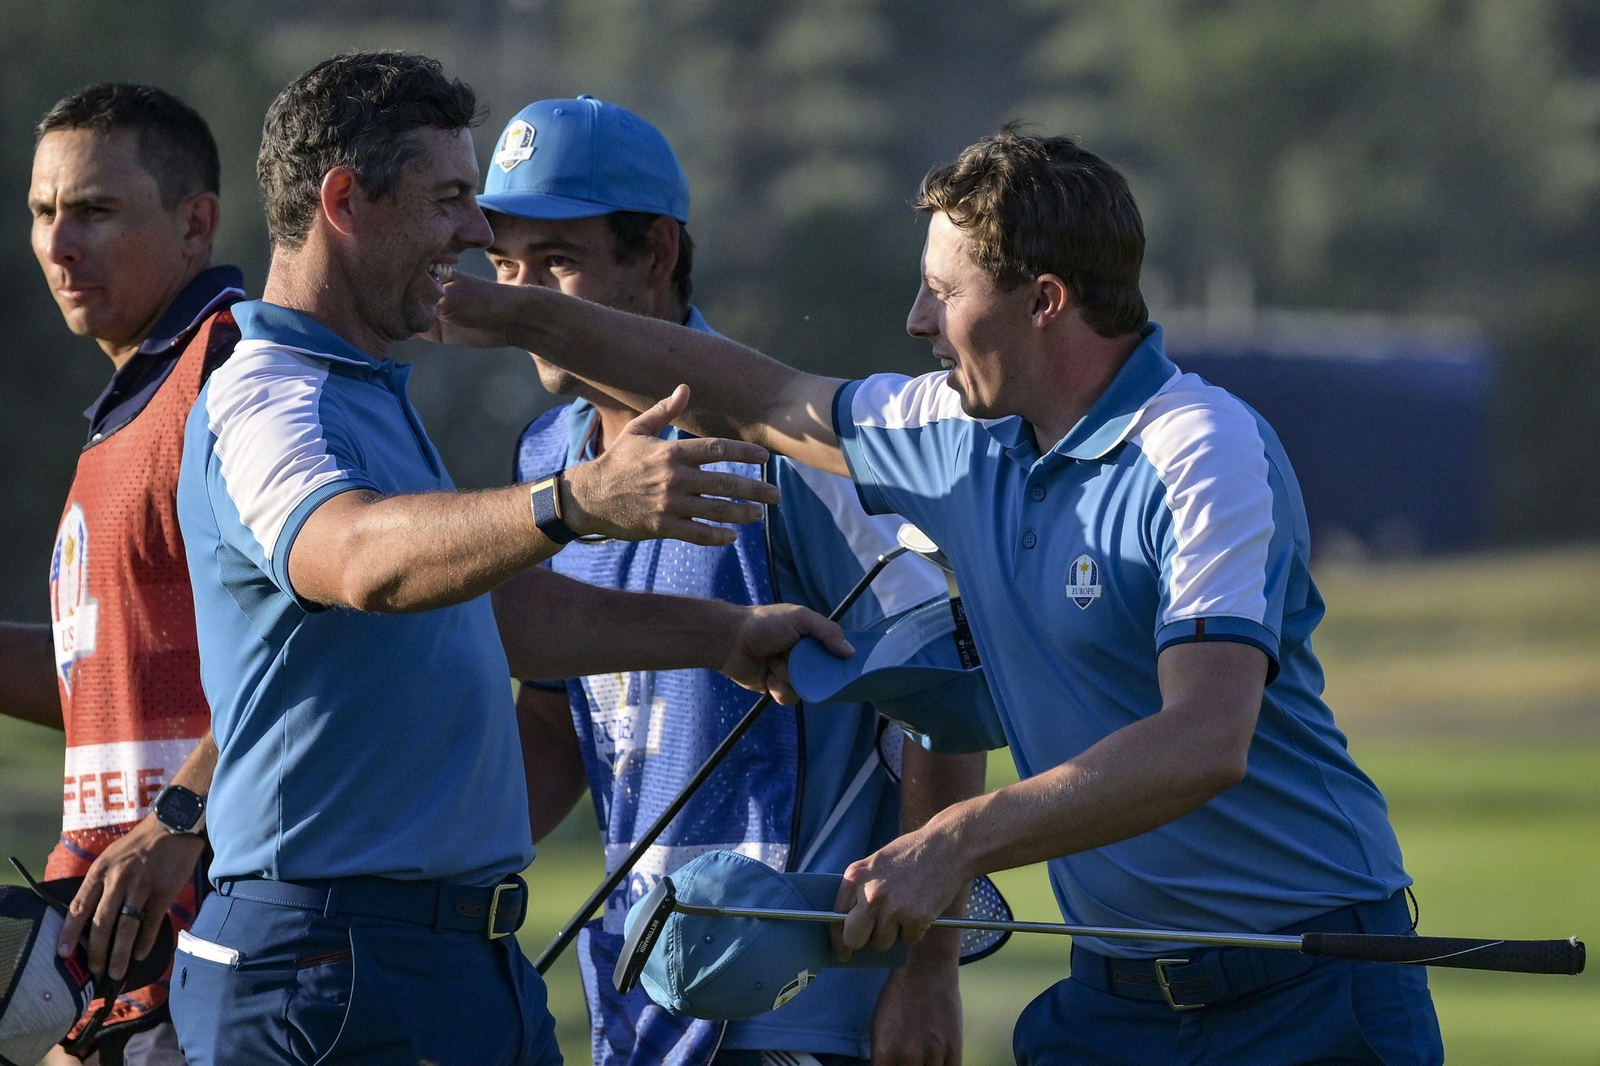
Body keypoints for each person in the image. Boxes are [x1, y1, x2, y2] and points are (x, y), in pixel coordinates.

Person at [432, 127, 1448, 1064]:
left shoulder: (1202, 448)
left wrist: (952, 842)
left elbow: (1204, 740)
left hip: (1310, 990)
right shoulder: (954, 433)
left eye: (942, 293)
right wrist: (514, 312)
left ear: (1043, 301)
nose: (917, 321)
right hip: (1114, 999)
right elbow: (761, 394)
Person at [168, 52, 848, 1066]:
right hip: (331, 957)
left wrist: (718, 634)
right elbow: (358, 559)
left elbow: (490, 612)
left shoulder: (361, 388)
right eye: (450, 201)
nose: (478, 238)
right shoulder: (273, 394)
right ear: (345, 202)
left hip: (445, 958)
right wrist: (573, 503)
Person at [479, 96, 983, 1066]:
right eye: (502, 266)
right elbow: (552, 719)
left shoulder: (790, 451)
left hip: (799, 1014)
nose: (519, 298)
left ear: (656, 255)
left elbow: (945, 698)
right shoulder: (544, 464)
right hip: (638, 999)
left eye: (554, 261)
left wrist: (927, 972)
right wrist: (442, 874)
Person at [11, 82, 246, 1066]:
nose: (60, 245)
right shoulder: (134, 398)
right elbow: (108, 686)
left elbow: (331, 642)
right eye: (43, 212)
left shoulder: (232, 372)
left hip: (224, 962)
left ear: (195, 223)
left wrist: (182, 813)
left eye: (97, 210)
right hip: (117, 975)